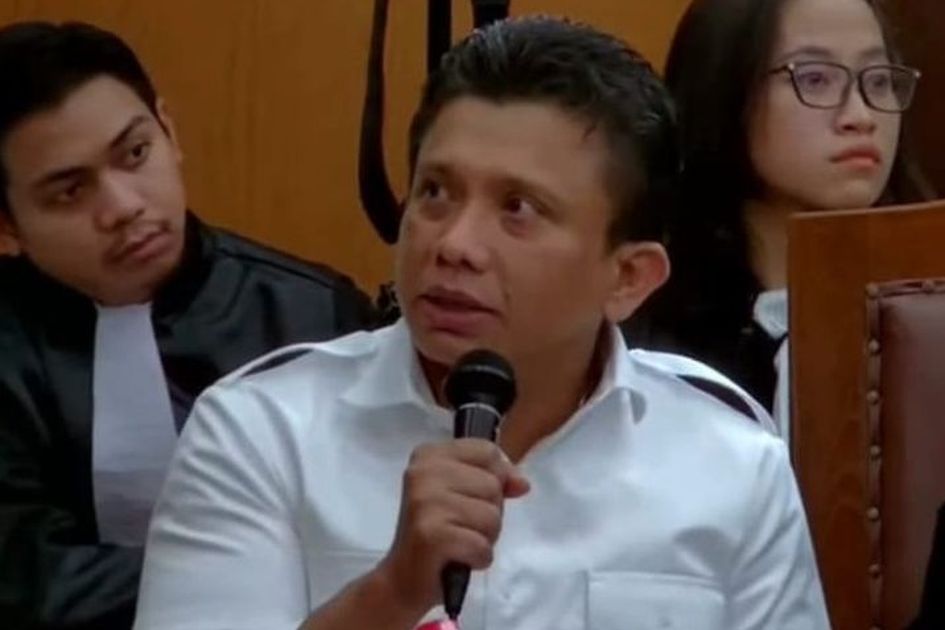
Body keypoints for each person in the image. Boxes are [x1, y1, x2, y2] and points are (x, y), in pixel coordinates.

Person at [134, 17, 829, 630]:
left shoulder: (729, 461)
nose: (453, 244)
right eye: (435, 192)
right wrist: (390, 594)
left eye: (518, 209)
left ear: (628, 278)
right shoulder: (260, 433)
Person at [0, 21, 376, 630]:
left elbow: (363, 532)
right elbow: (25, 583)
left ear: (169, 133)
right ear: (9, 225)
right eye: (69, 192)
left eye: (135, 154)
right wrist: (241, 573)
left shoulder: (310, 312)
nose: (124, 207)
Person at [623, 0, 933, 439]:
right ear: (726, 89)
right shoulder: (642, 339)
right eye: (814, 79)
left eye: (879, 81)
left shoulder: (926, 314)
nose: (861, 117)